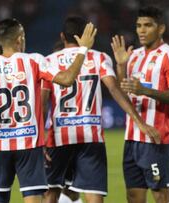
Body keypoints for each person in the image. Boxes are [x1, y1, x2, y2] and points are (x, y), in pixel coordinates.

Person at [0, 18, 97, 203]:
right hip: (29, 144)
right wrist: (83, 49)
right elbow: (68, 78)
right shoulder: (35, 61)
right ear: (20, 39)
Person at [42, 17, 160, 203]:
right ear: (86, 36)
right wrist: (140, 122)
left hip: (58, 136)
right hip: (91, 137)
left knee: (51, 193)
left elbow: (42, 102)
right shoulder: (99, 57)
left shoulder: (48, 61)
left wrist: (41, 137)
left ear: (62, 36)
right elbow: (114, 89)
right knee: (94, 195)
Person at [111, 6, 169, 203]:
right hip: (132, 138)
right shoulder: (133, 56)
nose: (141, 30)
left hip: (156, 139)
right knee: (133, 195)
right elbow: (126, 90)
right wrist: (121, 66)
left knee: (161, 195)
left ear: (160, 29)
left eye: (147, 25)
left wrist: (145, 90)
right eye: (138, 26)